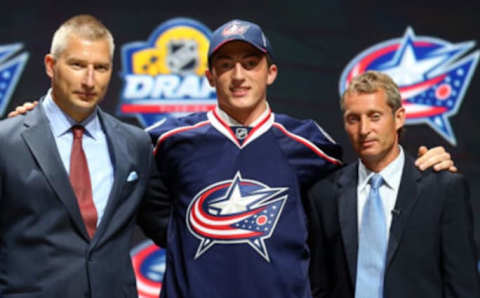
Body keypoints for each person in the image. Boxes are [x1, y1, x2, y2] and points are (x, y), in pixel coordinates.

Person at [141, 20, 456, 298]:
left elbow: (361, 196)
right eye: (226, 65)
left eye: (250, 63)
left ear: (271, 73)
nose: (238, 75)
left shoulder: (311, 144)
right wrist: (189, 237)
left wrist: (421, 167)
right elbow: (146, 207)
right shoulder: (168, 140)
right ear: (210, 76)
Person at [0, 15, 160, 297]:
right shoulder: (6, 141)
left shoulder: (136, 144)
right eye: (77, 65)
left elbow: (166, 225)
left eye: (100, 68)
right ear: (51, 65)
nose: (89, 80)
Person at [307, 71, 480, 298]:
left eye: (375, 116)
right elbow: (319, 285)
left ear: (398, 117)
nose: (364, 129)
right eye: (354, 119)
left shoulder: (443, 189)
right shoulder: (325, 195)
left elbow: (462, 286)